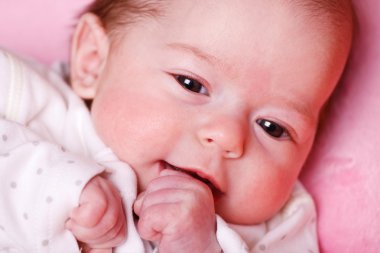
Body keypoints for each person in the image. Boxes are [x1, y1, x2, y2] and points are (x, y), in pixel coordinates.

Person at [0, 0, 354, 252]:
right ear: (94, 62)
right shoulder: (32, 103)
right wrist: (52, 182)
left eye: (272, 127)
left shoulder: (280, 228)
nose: (228, 137)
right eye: (192, 84)